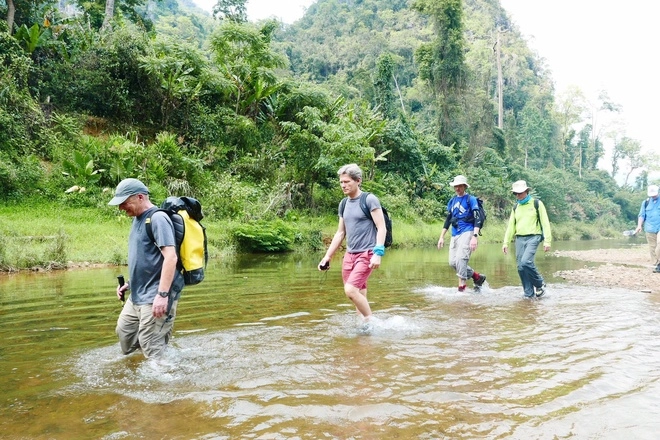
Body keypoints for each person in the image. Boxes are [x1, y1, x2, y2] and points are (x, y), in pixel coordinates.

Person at [108, 178, 184, 358]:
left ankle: (166, 378)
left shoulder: (158, 219)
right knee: (125, 335)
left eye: (124, 203)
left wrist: (163, 295)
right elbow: (146, 259)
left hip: (156, 296)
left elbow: (171, 258)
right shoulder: (137, 219)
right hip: (137, 296)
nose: (121, 208)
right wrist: (129, 283)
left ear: (140, 197)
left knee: (152, 348)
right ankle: (145, 370)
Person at [318, 164, 387, 332]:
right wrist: (327, 256)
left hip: (367, 253)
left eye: (347, 181)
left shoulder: (369, 200)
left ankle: (373, 323)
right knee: (359, 294)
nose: (343, 185)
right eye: (341, 182)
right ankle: (363, 331)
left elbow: (382, 227)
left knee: (350, 290)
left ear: (358, 181)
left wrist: (378, 253)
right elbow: (340, 233)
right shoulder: (343, 204)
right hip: (350, 255)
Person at [502, 180, 552, 298]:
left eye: (520, 193)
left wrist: (547, 241)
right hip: (519, 238)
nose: (518, 195)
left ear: (526, 191)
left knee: (526, 262)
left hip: (534, 236)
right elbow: (511, 226)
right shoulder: (516, 207)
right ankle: (528, 294)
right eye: (516, 193)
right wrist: (506, 242)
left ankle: (540, 284)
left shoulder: (536, 203)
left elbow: (545, 223)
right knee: (520, 267)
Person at [437, 175, 487, 292]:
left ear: (464, 186)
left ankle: (461, 291)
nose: (457, 188)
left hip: (468, 231)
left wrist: (474, 237)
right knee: (453, 262)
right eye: (456, 186)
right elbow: (448, 219)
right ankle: (477, 277)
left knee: (461, 259)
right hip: (455, 234)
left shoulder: (471, 199)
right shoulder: (452, 201)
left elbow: (477, 218)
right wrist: (441, 237)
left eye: (459, 186)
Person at [634, 184, 660, 273]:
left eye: (655, 194)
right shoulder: (645, 202)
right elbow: (641, 215)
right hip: (649, 228)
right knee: (652, 247)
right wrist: (639, 226)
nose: (653, 196)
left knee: (659, 244)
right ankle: (657, 264)